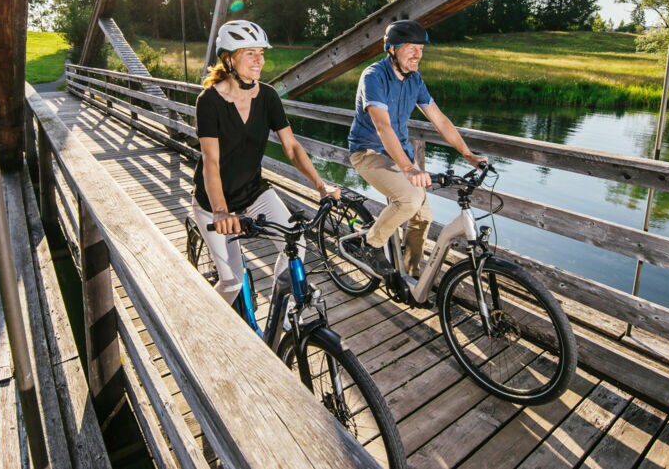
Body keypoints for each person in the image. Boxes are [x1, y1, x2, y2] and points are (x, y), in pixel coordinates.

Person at [193, 19, 340, 304]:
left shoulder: (269, 96)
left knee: (296, 245)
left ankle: (281, 317)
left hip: (253, 192)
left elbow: (292, 147)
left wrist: (321, 186)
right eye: (250, 53)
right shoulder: (208, 101)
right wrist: (221, 212)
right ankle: (206, 321)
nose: (259, 60)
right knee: (232, 282)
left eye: (261, 52)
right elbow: (211, 161)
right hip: (214, 204)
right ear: (229, 59)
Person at [346, 19, 483, 276]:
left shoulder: (415, 80)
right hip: (368, 152)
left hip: (401, 156)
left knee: (423, 216)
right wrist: (409, 168)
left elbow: (439, 119)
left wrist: (468, 154)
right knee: (409, 200)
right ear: (392, 49)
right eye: (411, 47)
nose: (418, 54)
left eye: (421, 48)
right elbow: (382, 127)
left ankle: (410, 276)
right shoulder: (374, 76)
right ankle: (368, 243)